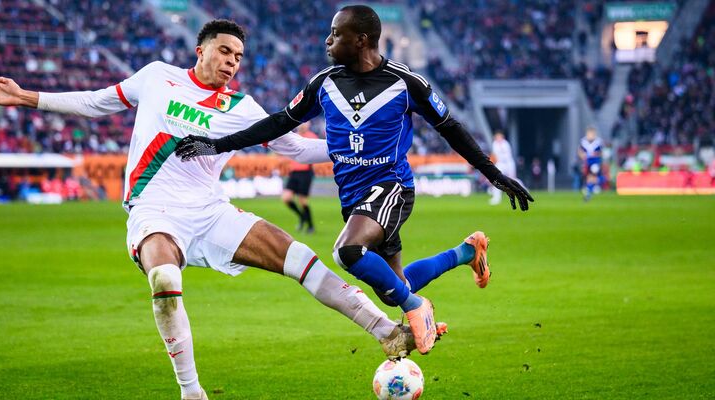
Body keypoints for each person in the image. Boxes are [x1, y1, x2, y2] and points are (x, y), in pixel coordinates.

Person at [0, 20, 423, 400]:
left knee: (299, 257)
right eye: (224, 51)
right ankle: (192, 391)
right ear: (200, 49)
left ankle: (386, 330)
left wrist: (362, 149)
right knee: (164, 278)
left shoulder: (243, 107)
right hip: (154, 211)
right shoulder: (157, 77)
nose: (231, 62)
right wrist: (28, 97)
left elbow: (296, 149)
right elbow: (96, 102)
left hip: (210, 210)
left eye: (239, 57)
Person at [174, 6, 533, 355]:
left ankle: (417, 307)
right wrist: (217, 145)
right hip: (354, 197)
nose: (327, 41)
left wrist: (495, 175)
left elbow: (451, 129)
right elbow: (280, 122)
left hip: (392, 187)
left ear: (361, 40)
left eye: (336, 33)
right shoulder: (324, 83)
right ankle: (467, 252)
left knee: (348, 252)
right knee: (395, 285)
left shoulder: (405, 83)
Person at [282, 121, 318, 233]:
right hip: (294, 172)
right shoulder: (293, 136)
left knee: (303, 201)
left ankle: (310, 226)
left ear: (309, 124)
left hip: (305, 172)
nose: (303, 124)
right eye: (302, 122)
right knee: (286, 198)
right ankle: (302, 217)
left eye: (305, 122)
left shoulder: (312, 137)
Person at [489, 130, 518, 205]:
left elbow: (507, 155)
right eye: (497, 137)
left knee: (513, 179)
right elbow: (496, 156)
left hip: (508, 163)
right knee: (496, 179)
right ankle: (496, 198)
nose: (498, 138)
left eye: (499, 137)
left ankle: (523, 191)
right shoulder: (494, 144)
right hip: (500, 164)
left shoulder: (505, 143)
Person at [578, 126, 603, 201]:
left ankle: (590, 189)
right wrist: (582, 156)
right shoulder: (583, 141)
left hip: (595, 161)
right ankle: (591, 188)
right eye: (589, 134)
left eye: (592, 134)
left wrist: (595, 154)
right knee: (588, 177)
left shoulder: (598, 142)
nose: (590, 135)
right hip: (587, 162)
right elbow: (580, 151)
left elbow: (600, 152)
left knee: (593, 174)